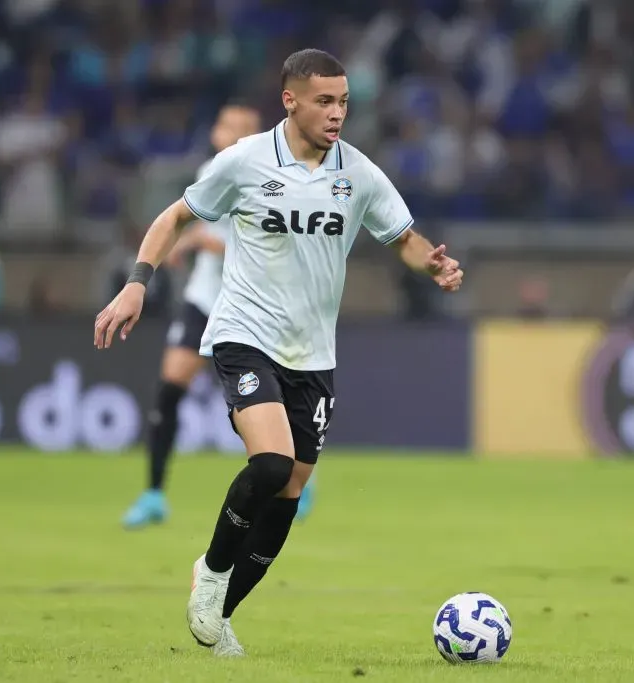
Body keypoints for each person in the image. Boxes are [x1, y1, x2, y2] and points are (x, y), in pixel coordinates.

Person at [93, 49, 463, 657]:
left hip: (313, 355)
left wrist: (435, 264)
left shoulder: (359, 173)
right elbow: (175, 218)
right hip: (244, 334)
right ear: (290, 100)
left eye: (344, 101)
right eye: (324, 100)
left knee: (289, 492)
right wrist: (137, 282)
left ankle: (221, 614)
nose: (337, 112)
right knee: (269, 465)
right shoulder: (243, 162)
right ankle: (211, 574)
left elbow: (402, 237)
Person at [121, 102, 272, 529]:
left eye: (245, 128)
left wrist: (198, 244)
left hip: (249, 303)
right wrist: (184, 241)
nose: (235, 134)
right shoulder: (210, 170)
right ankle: (153, 495)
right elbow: (190, 222)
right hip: (204, 298)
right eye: (228, 125)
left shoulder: (269, 179)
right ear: (216, 132)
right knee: (170, 390)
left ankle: (293, 474)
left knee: (256, 404)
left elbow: (266, 250)